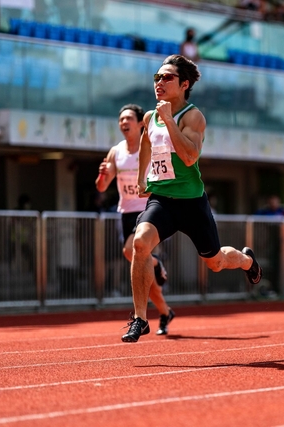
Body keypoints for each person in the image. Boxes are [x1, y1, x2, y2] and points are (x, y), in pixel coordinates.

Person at [124, 55, 263, 342]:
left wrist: (168, 121)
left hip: (191, 203)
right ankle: (139, 318)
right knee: (140, 243)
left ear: (184, 84)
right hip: (162, 199)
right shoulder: (150, 118)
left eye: (167, 78)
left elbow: (189, 157)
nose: (159, 82)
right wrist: (142, 178)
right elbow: (146, 143)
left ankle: (247, 261)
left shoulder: (192, 116)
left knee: (216, 262)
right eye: (156, 78)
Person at [96, 103, 175, 337]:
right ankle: (164, 311)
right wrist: (102, 174)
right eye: (121, 119)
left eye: (128, 118)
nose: (123, 123)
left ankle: (156, 265)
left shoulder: (149, 146)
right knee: (145, 278)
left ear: (141, 123)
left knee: (130, 250)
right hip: (126, 211)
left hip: (149, 209)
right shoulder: (116, 151)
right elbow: (101, 186)